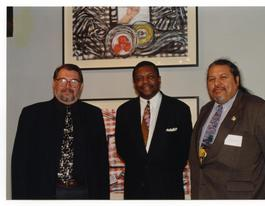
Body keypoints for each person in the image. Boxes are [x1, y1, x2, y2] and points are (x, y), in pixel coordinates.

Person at [189, 59, 265, 199]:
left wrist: (263, 182)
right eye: (211, 79)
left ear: (236, 80)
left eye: (223, 77)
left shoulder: (258, 109)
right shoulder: (205, 110)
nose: (216, 83)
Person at [11, 64, 110, 199]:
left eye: (73, 81)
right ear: (54, 83)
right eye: (62, 80)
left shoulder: (94, 115)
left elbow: (101, 162)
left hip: (84, 193)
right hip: (43, 193)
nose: (67, 86)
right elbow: (19, 164)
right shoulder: (32, 115)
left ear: (81, 87)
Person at [115, 61, 192, 199]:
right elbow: (122, 148)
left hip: (168, 190)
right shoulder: (124, 111)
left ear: (159, 79)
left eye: (150, 76)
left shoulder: (179, 110)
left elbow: (184, 151)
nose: (145, 81)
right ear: (134, 83)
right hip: (135, 191)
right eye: (139, 78)